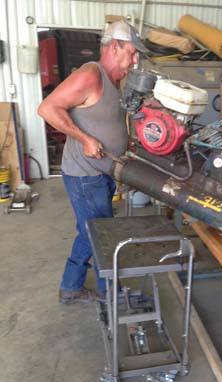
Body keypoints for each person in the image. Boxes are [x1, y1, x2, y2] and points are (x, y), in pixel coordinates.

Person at [38, 20, 148, 304]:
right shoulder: (91, 74)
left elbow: (107, 118)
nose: (135, 60)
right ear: (115, 46)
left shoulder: (114, 82)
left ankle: (78, 286)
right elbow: (47, 108)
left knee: (94, 230)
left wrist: (125, 141)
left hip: (103, 172)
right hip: (85, 175)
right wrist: (84, 138)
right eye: (133, 53)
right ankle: (101, 291)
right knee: (99, 232)